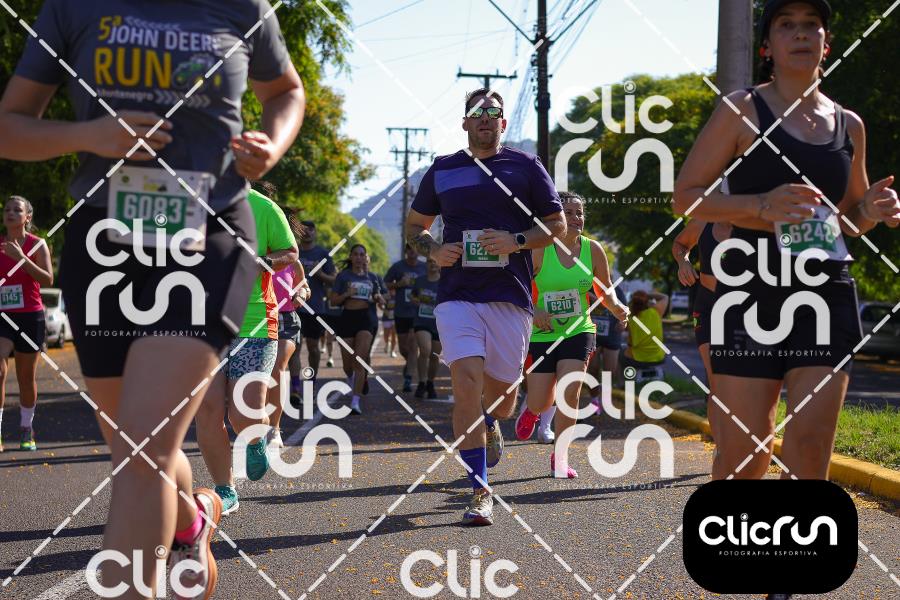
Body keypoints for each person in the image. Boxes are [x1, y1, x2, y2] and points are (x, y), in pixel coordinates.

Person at [0, 0, 304, 595]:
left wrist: (272, 143)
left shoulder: (241, 7)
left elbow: (285, 90)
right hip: (106, 242)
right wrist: (92, 134)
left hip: (207, 235)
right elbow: (10, 125)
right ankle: (193, 519)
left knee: (143, 449)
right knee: (134, 448)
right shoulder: (73, 8)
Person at [673, 0, 898, 499]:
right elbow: (685, 197)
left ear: (826, 43)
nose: (800, 34)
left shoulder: (849, 125)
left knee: (811, 450)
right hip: (748, 289)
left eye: (811, 25)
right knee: (745, 455)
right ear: (767, 47)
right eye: (786, 25)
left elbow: (848, 220)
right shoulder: (742, 109)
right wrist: (760, 204)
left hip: (824, 290)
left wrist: (872, 210)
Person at [406, 87, 565, 525]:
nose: (484, 118)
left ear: (502, 122)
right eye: (476, 112)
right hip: (457, 294)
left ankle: (491, 423)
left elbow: (555, 224)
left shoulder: (525, 166)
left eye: (492, 112)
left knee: (503, 399)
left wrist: (516, 240)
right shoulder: (443, 169)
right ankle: (480, 490)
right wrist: (434, 249)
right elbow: (415, 227)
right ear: (464, 122)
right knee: (465, 383)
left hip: (510, 295)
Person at [195, 185, 298, 516]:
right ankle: (225, 490)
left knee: (244, 414)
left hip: (254, 321)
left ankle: (255, 438)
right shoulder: (191, 202)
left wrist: (263, 262)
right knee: (207, 410)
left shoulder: (263, 207)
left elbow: (290, 253)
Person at [515, 192, 628, 478]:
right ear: (556, 217)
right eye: (568, 212)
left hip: (579, 330)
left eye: (580, 212)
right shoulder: (541, 249)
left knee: (570, 393)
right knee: (541, 400)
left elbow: (605, 288)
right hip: (543, 333)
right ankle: (532, 410)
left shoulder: (593, 250)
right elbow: (516, 287)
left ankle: (561, 458)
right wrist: (534, 310)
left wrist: (617, 308)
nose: (576, 218)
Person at [0, 196, 53, 452]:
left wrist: (21, 258)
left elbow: (48, 279)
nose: (10, 213)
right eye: (7, 209)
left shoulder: (37, 244)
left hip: (30, 316)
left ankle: (26, 427)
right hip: (2, 315)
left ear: (27, 217)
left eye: (17, 210)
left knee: (25, 377)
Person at [671, 219, 731, 437]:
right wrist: (683, 262)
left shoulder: (757, 223)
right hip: (708, 308)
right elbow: (680, 243)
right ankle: (721, 445)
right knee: (716, 379)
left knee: (742, 382)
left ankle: (739, 438)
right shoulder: (704, 223)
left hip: (743, 310)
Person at [329, 244, 386, 414]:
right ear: (351, 257)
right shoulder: (343, 276)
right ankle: (351, 378)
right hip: (347, 318)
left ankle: (355, 402)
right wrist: (347, 294)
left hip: (365, 319)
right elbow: (333, 301)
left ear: (365, 257)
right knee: (348, 365)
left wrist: (379, 298)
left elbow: (383, 299)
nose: (359, 257)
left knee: (359, 360)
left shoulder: (373, 277)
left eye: (362, 254)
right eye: (355, 254)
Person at [290, 220, 336, 394]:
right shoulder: (292, 251)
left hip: (316, 308)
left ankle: (311, 382)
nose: (307, 232)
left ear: (315, 233)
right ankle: (295, 387)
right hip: (294, 307)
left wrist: (321, 274)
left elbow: (334, 280)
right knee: (294, 347)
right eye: (304, 229)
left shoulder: (323, 254)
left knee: (313, 348)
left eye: (311, 229)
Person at [384, 244, 427, 392]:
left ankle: (408, 379)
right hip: (401, 312)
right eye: (409, 248)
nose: (412, 251)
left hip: (418, 313)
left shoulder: (424, 267)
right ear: (406, 251)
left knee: (413, 346)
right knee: (403, 348)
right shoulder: (398, 267)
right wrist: (399, 284)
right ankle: (410, 364)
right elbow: (384, 284)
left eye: (415, 248)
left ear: (418, 251)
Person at [585, 281, 628, 411]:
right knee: (593, 369)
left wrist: (622, 322)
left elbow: (625, 309)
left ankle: (603, 395)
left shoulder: (616, 290)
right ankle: (594, 400)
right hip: (593, 334)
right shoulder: (587, 286)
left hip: (612, 334)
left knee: (609, 371)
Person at [410, 258, 442, 399]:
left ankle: (430, 382)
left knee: (435, 356)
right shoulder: (420, 280)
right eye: (429, 261)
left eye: (435, 261)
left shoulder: (445, 282)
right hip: (421, 320)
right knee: (425, 350)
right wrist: (415, 300)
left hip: (438, 323)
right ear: (426, 264)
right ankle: (421, 382)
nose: (433, 264)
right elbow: (412, 295)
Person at [622, 290, 669, 371]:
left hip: (638, 357)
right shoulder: (656, 311)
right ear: (647, 302)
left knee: (619, 353)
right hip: (658, 357)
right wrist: (648, 295)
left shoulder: (629, 319)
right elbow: (665, 297)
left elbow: (630, 343)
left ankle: (620, 378)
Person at [382, 289, 398, 357]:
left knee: (394, 335)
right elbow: (380, 304)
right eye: (391, 289)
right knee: (386, 335)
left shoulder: (399, 296)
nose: (392, 290)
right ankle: (387, 342)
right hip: (386, 318)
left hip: (395, 318)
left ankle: (392, 351)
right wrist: (385, 310)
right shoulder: (386, 296)